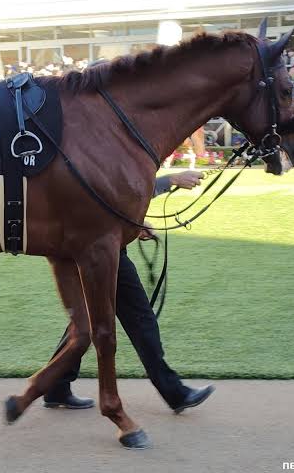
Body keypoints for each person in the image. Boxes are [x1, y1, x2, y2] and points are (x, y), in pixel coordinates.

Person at [43, 170, 215, 413]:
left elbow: (110, 196)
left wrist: (133, 224)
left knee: (88, 322)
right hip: (99, 250)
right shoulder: (102, 149)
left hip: (97, 246)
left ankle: (56, 385)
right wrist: (171, 180)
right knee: (139, 319)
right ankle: (174, 392)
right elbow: (115, 191)